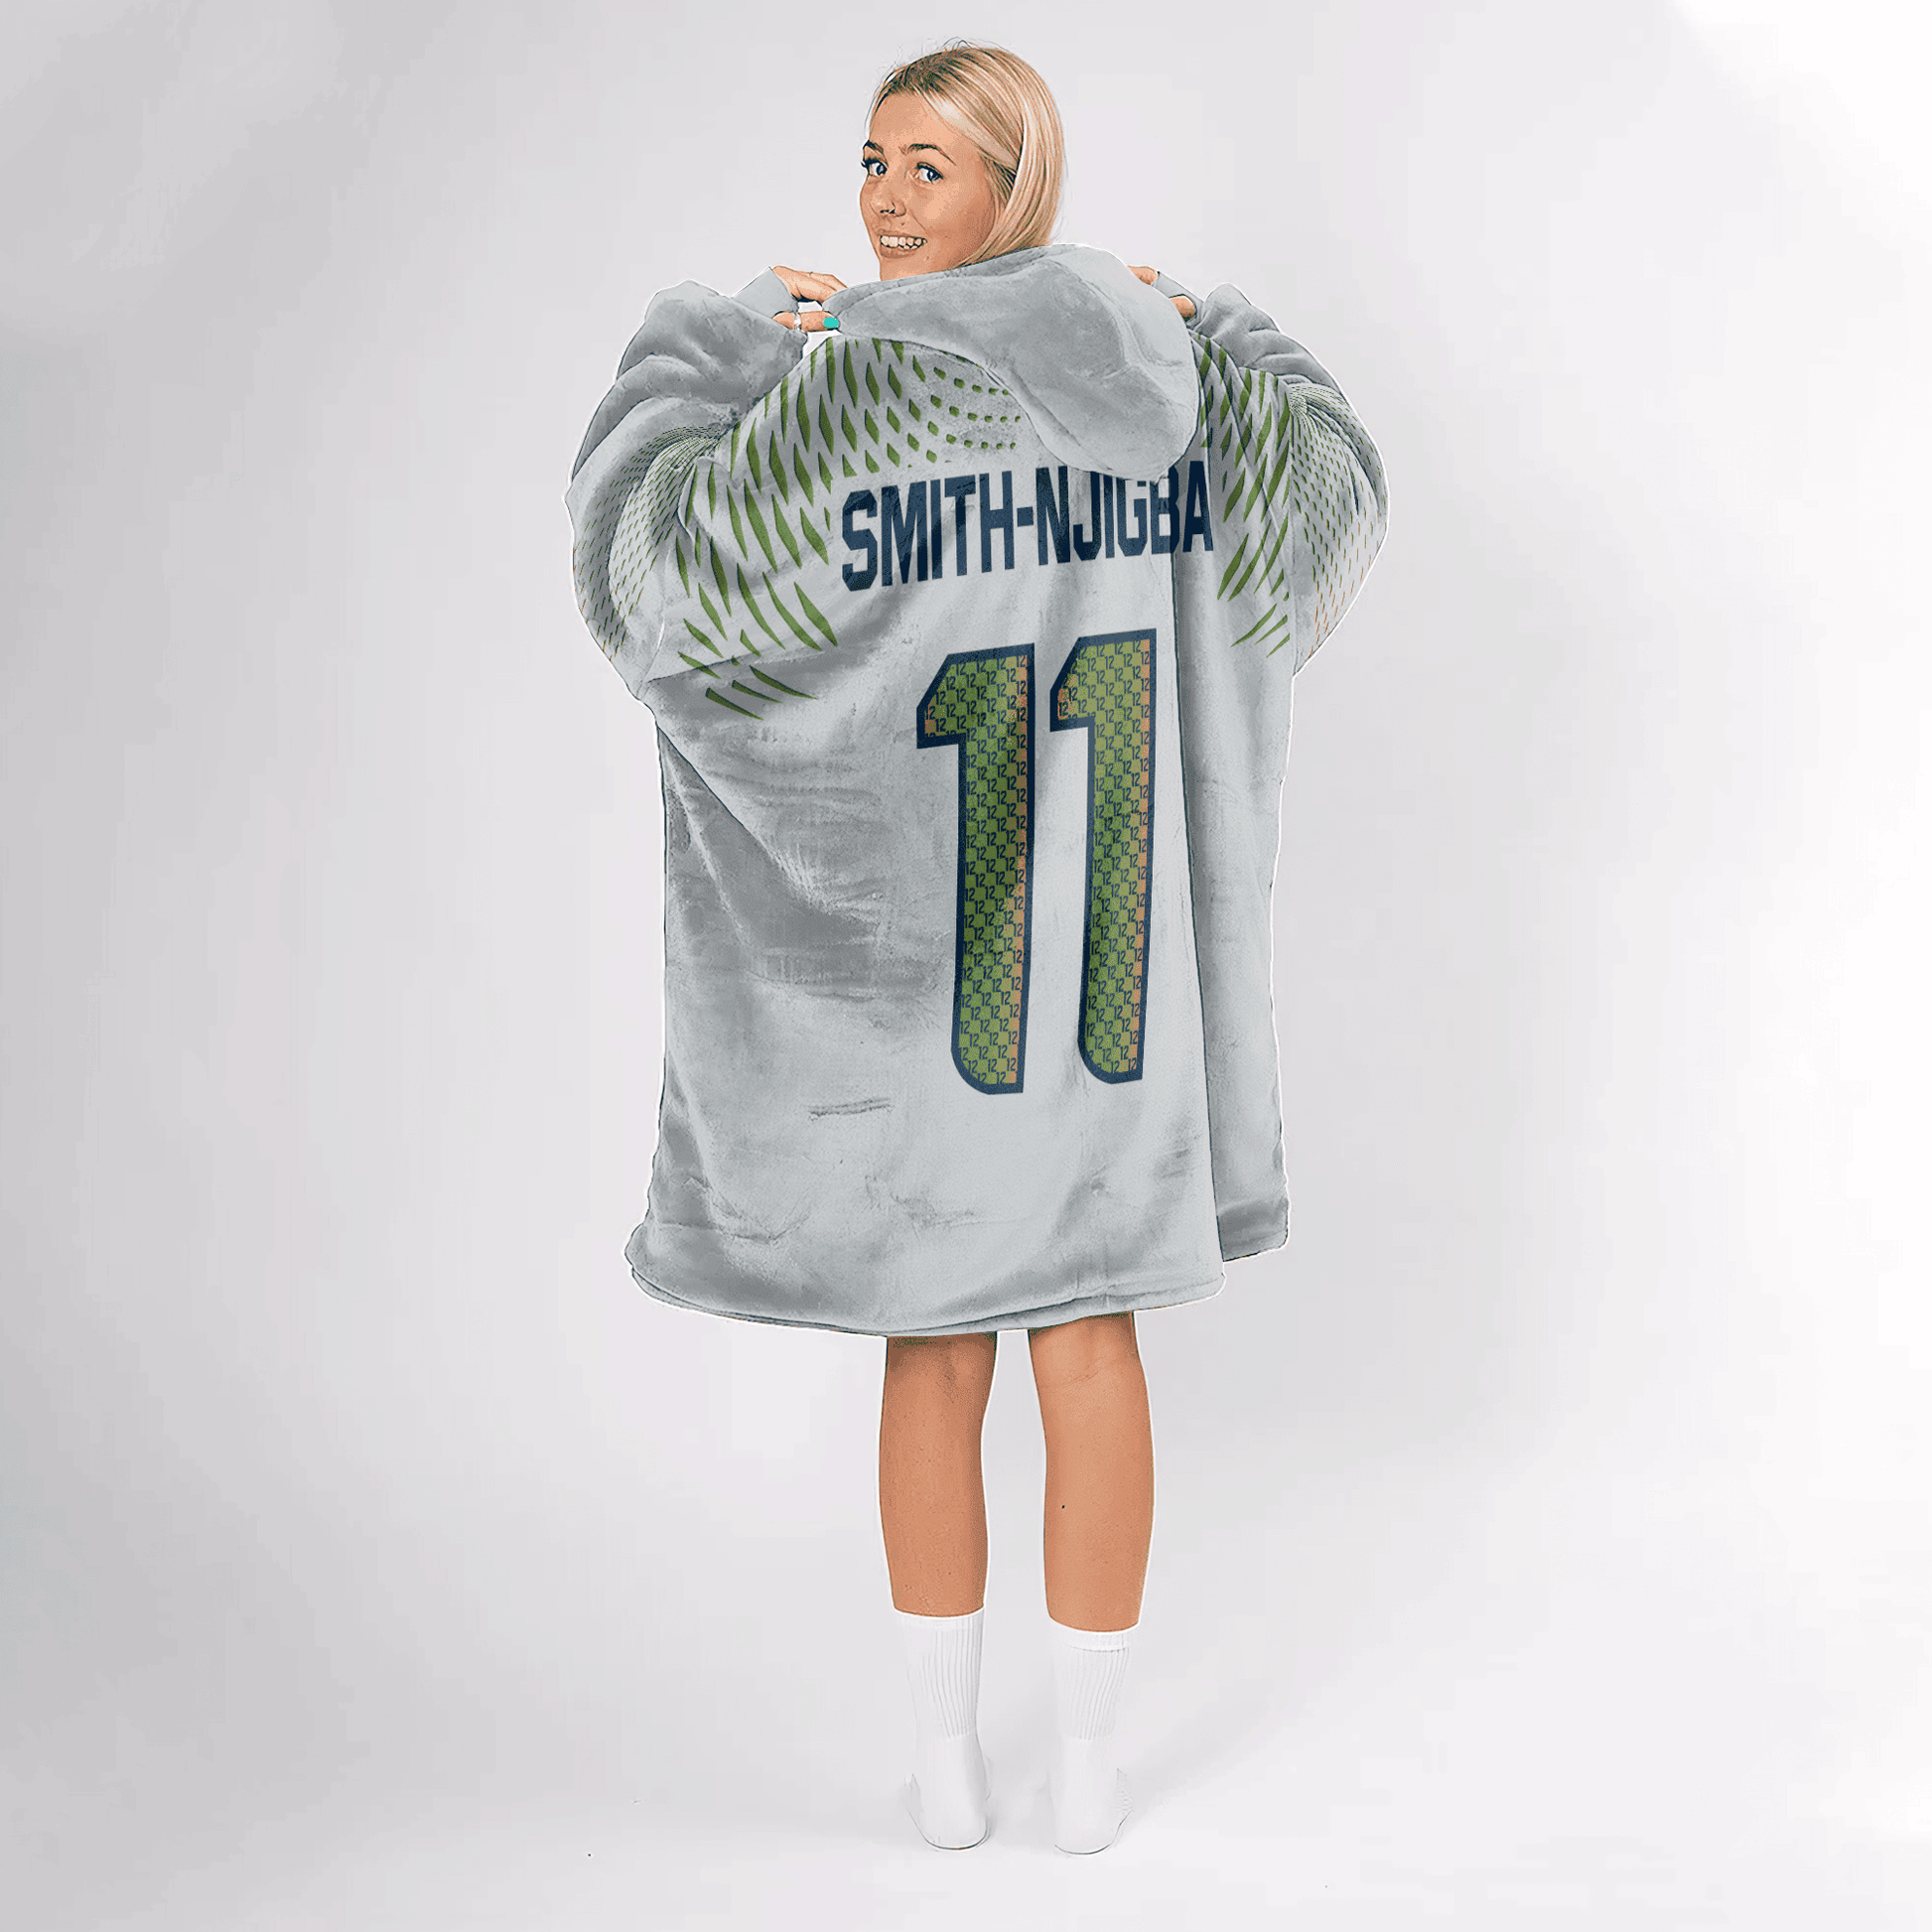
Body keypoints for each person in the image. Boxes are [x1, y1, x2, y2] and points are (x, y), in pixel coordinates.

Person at [565, 42, 1386, 1857]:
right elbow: (1321, 510)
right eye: (871, 160)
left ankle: (952, 1767)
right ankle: (1080, 1769)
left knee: (934, 1359)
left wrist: (709, 346)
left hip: (936, 1015)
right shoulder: (1166, 382)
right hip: (1111, 1018)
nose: (880, 200)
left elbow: (652, 582)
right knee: (1089, 1351)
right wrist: (1220, 325)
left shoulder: (846, 394)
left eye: (926, 167)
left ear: (1017, 185)